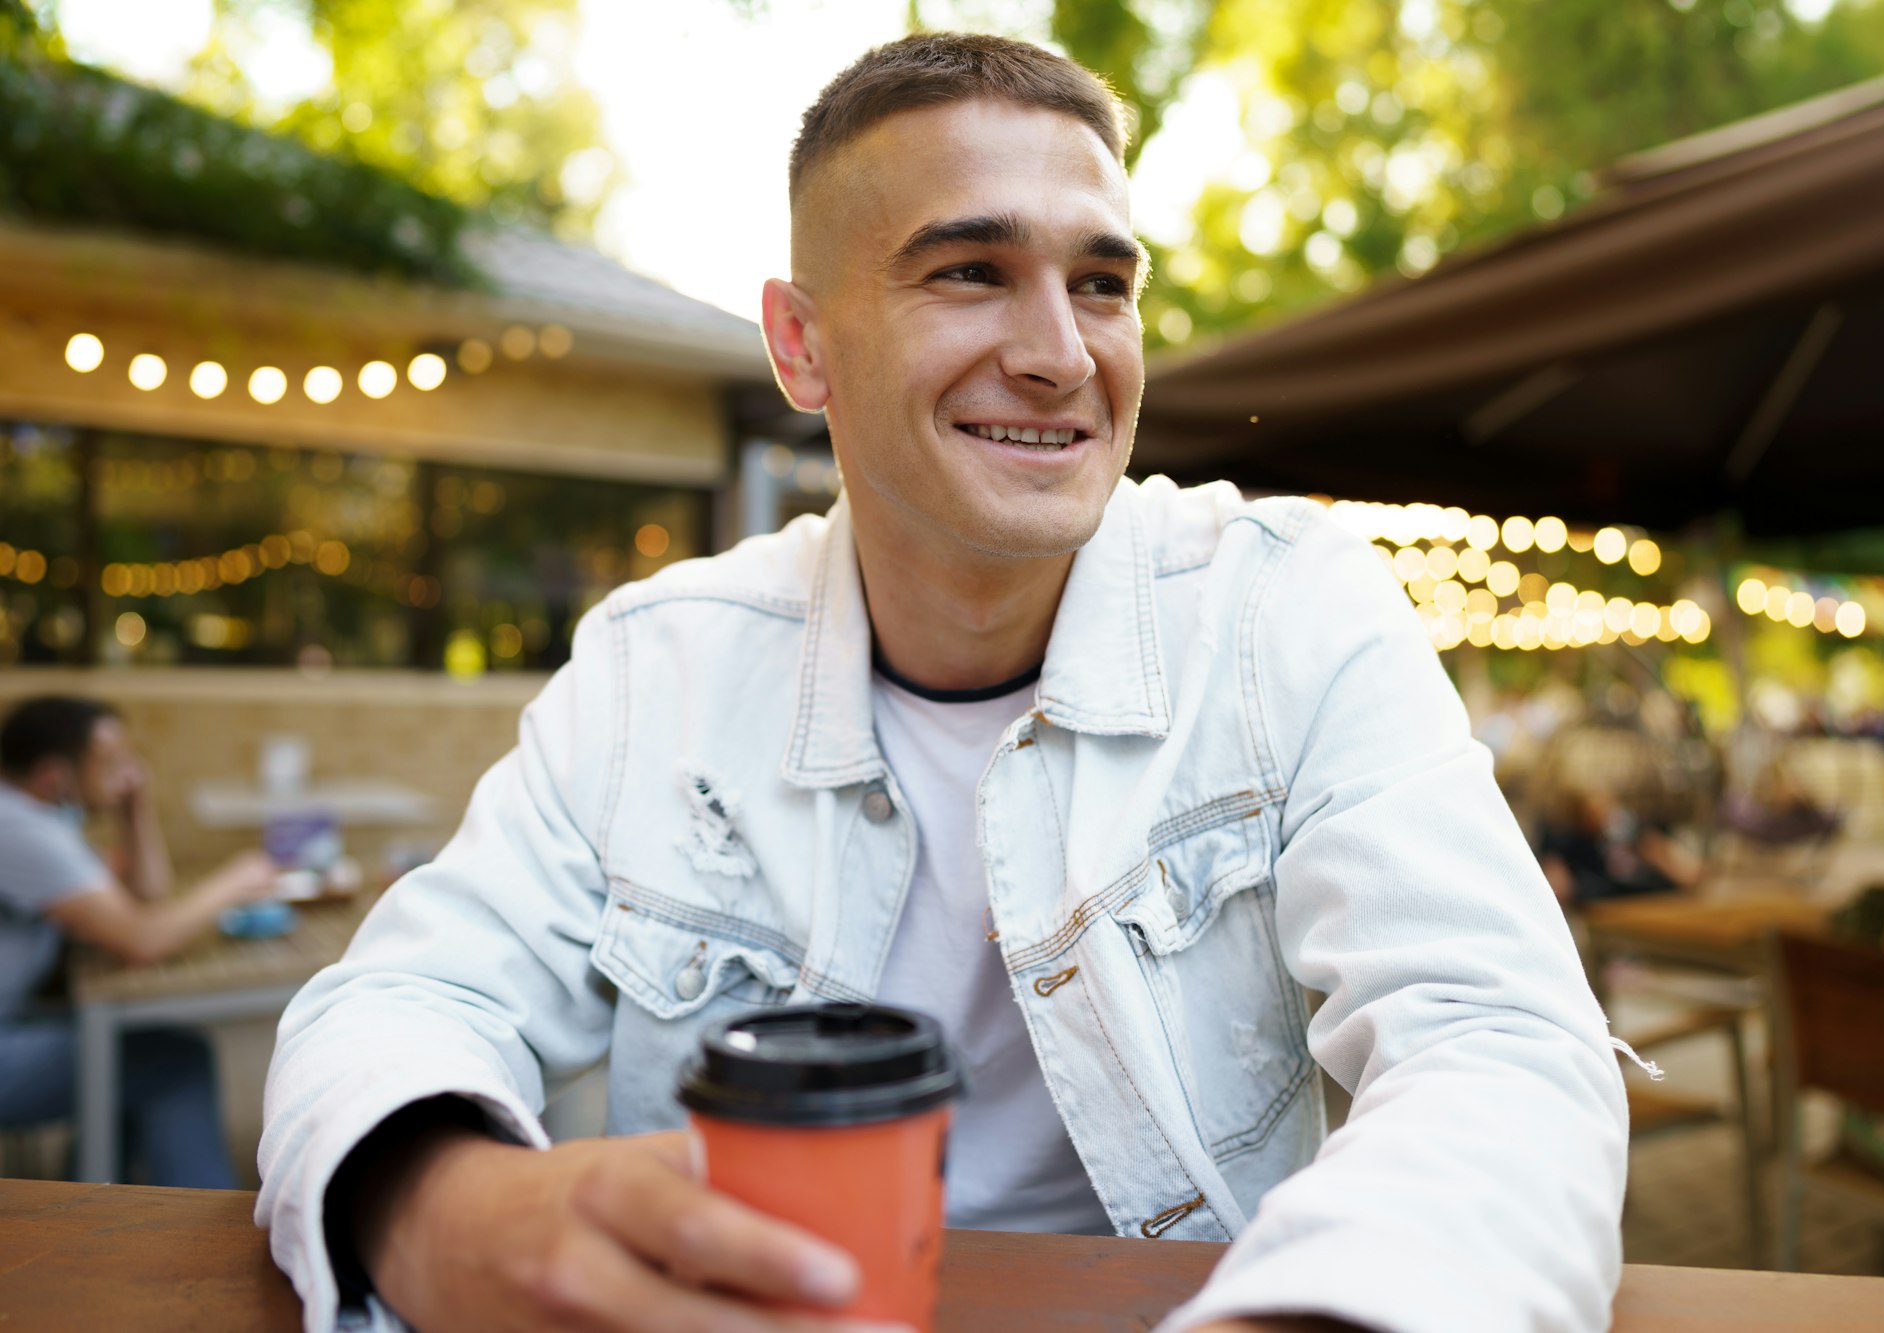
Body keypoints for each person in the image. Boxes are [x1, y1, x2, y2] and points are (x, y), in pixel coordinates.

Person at [259, 33, 1631, 1333]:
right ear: (801, 347)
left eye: (1103, 283)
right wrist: (445, 1209)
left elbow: (1501, 1041)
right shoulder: (654, 664)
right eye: (971, 270)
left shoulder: (1282, 605)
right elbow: (398, 1002)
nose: (1061, 352)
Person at [0, 695, 277, 1186]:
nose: (129, 771)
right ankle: (204, 1247)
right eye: (110, 762)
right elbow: (142, 939)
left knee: (130, 1054)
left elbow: (146, 895)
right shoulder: (20, 829)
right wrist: (233, 882)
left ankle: (91, 1207)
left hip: (20, 1016)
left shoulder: (41, 818)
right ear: (52, 775)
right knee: (172, 1061)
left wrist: (136, 809)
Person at [1539, 784, 1702, 909]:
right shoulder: (1567, 842)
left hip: (1654, 904)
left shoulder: (1634, 830)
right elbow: (1558, 888)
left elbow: (1686, 873)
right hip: (1606, 912)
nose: (1600, 811)